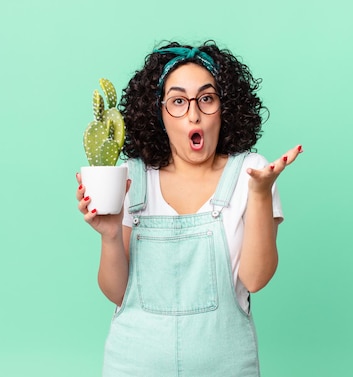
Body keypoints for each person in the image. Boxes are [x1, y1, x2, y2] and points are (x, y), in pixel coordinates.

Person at [75, 40, 303, 376]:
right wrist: (110, 235)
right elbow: (117, 293)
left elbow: (255, 279)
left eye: (206, 99)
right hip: (132, 365)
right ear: (159, 114)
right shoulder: (132, 176)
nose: (194, 114)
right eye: (178, 101)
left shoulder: (251, 173)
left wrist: (259, 194)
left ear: (225, 109)